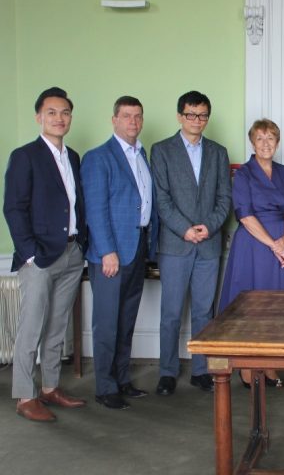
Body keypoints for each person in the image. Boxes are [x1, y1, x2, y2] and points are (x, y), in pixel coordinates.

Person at [3, 87, 87, 422]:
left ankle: (50, 387)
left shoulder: (74, 157)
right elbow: (13, 208)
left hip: (70, 252)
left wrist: (82, 243)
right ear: (39, 116)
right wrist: (30, 255)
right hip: (39, 257)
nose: (59, 118)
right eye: (52, 112)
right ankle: (25, 395)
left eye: (65, 112)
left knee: (57, 325)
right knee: (32, 326)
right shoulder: (25, 156)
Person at [150, 91, 231, 396]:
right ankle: (167, 372)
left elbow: (225, 198)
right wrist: (185, 229)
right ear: (179, 116)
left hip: (208, 244)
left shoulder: (218, 152)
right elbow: (161, 198)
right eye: (191, 114)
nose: (197, 121)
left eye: (202, 115)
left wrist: (207, 227)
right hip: (175, 244)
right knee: (171, 312)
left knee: (203, 312)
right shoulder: (161, 150)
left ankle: (201, 370)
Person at [81, 96, 159, 410]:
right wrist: (107, 251)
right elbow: (96, 210)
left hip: (137, 247)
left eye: (138, 116)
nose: (133, 122)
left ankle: (122, 379)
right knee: (107, 322)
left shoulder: (141, 156)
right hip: (111, 254)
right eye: (127, 116)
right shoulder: (99, 157)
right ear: (114, 120)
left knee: (126, 320)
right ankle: (105, 386)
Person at [219, 119, 284, 388]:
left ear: (278, 142)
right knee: (252, 309)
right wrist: (273, 244)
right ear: (252, 142)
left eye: (271, 138)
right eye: (260, 139)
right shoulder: (243, 173)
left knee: (278, 309)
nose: (266, 144)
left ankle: (270, 365)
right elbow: (245, 215)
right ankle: (247, 367)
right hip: (254, 245)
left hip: (281, 244)